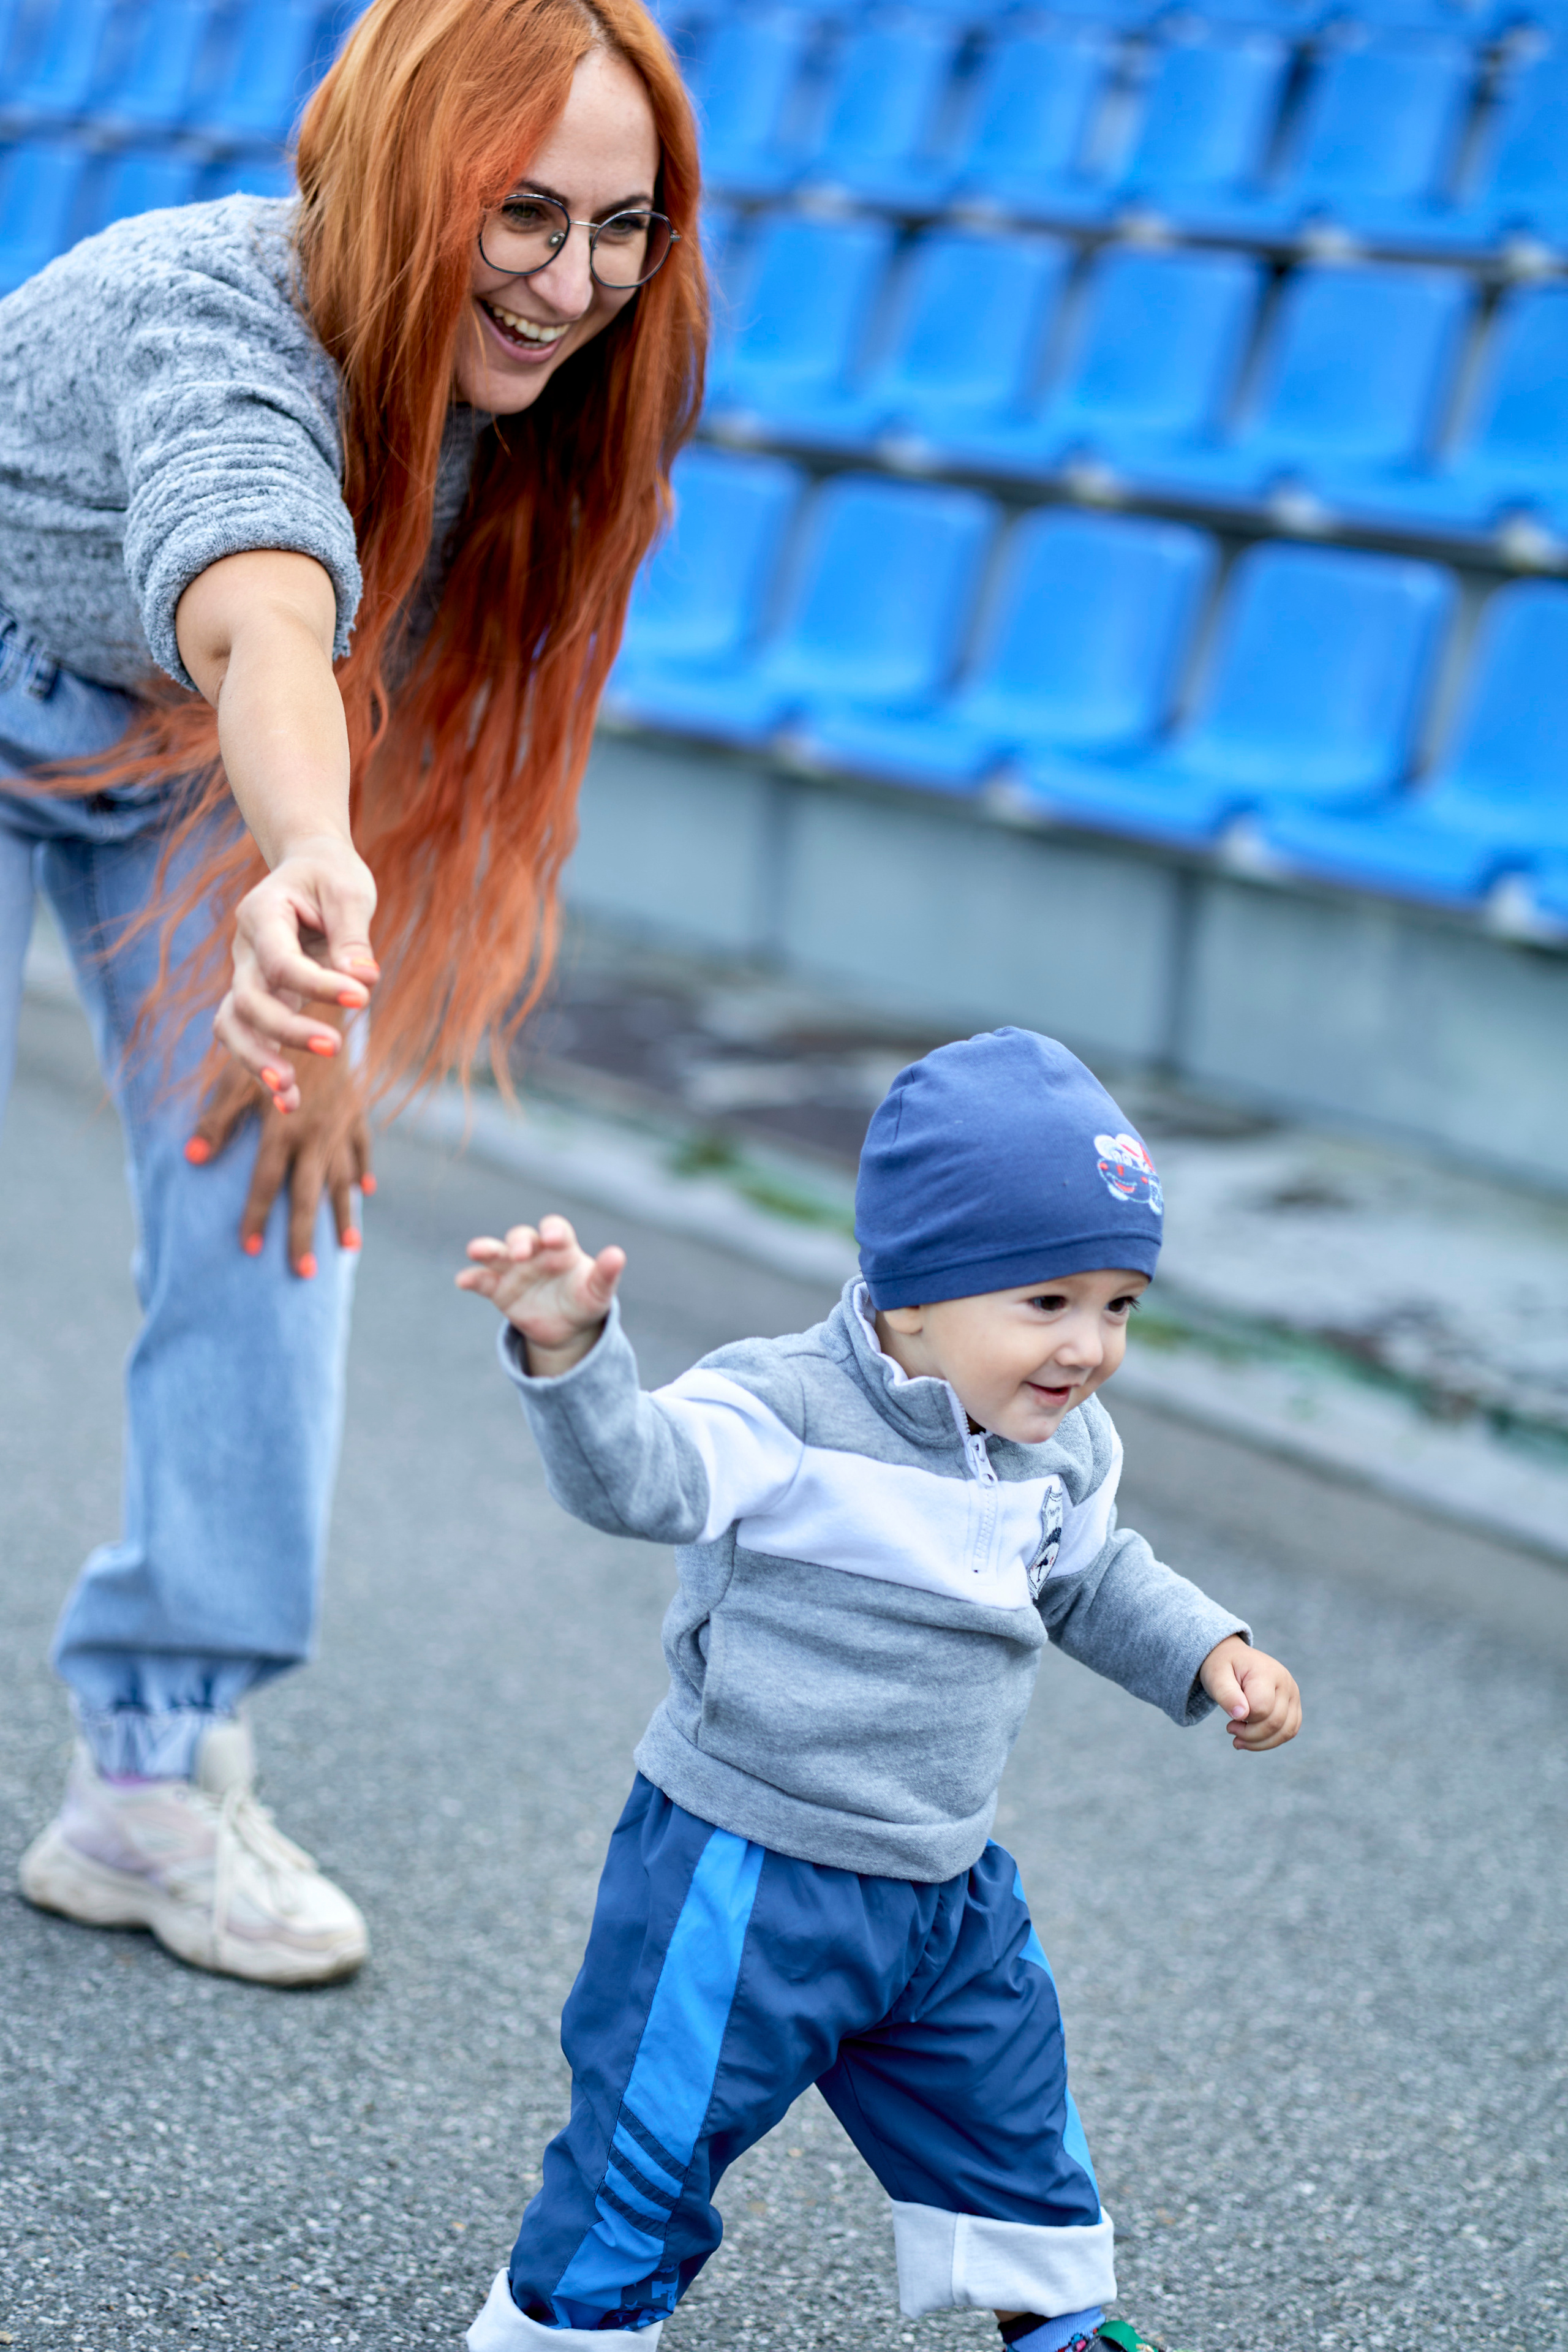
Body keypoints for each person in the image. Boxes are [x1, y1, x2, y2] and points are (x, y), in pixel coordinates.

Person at [1, 0, 703, 1985]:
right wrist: (315, 849)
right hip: (192, 698)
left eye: (621, 225)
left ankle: (149, 1781)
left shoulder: (543, 408)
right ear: (410, 174)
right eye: (522, 214)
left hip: (191, 753)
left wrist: (317, 947)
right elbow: (264, 598)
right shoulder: (216, 316)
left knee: (275, 1192)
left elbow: (379, 664)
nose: (572, 283)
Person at [455, 1027, 1303, 2351]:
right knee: (652, 2141)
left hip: (938, 1886)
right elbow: (642, 1476)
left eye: (1119, 1304)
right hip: (749, 1872)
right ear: (912, 1293)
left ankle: (1058, 2325)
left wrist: (1209, 1650)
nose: (1089, 1346)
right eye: (1046, 1303)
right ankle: (573, 2331)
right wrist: (574, 1360)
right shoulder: (785, 1407)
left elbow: (1088, 1579)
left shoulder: (1058, 1448)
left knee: (1011, 2125)